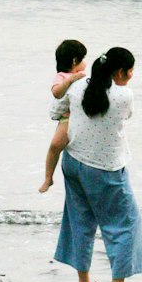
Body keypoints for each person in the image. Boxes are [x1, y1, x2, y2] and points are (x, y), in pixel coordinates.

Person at [51, 46, 142, 282]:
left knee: (80, 221)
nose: (132, 75)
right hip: (105, 168)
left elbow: (56, 111)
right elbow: (126, 118)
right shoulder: (124, 96)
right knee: (126, 223)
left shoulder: (77, 84)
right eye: (131, 71)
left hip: (73, 162)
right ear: (120, 72)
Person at [38, 38, 87, 193]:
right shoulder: (61, 76)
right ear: (74, 61)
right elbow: (57, 93)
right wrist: (70, 80)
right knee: (54, 146)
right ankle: (48, 178)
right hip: (67, 119)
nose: (85, 62)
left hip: (82, 118)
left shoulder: (83, 76)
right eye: (83, 59)